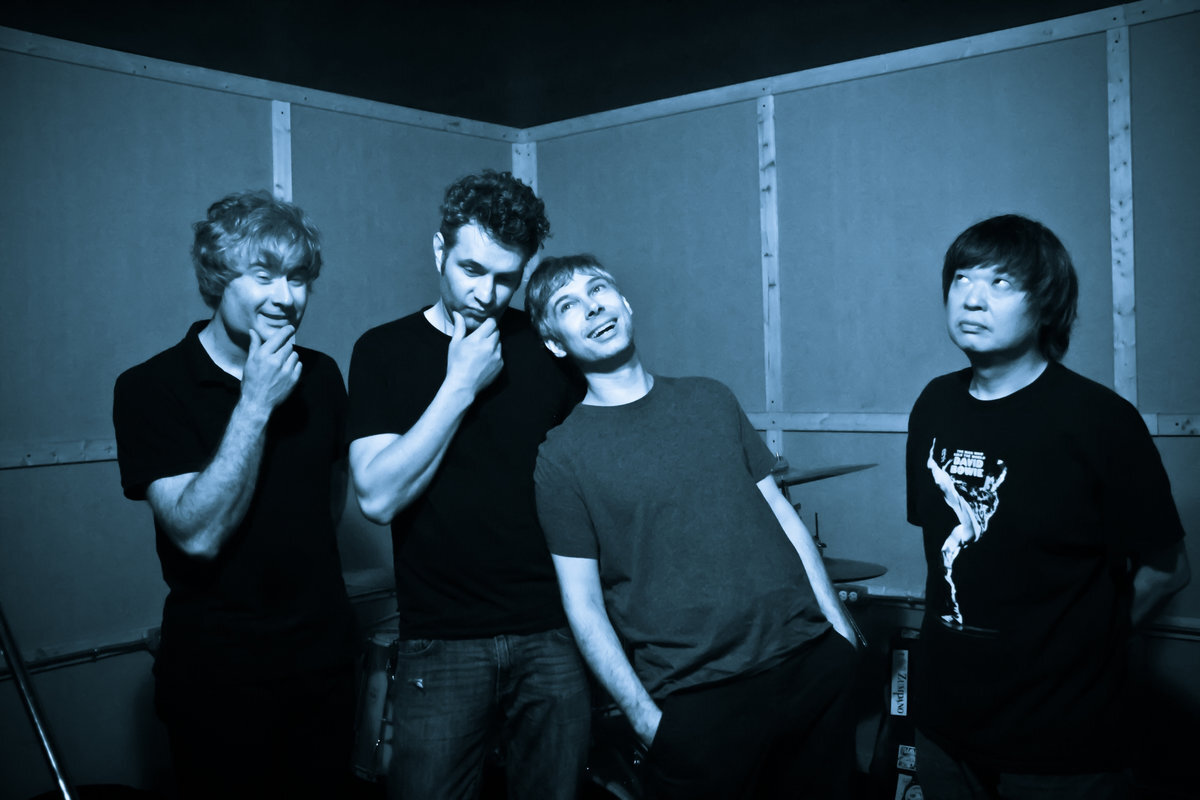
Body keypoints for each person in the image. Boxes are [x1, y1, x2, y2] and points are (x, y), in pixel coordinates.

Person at [526, 254, 861, 799]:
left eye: (599, 290)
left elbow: (782, 515)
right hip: (698, 703)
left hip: (810, 667)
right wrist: (645, 720)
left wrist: (839, 632)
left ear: (624, 302)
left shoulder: (710, 398)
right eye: (569, 306)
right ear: (555, 343)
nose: (593, 308)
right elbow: (582, 603)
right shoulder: (561, 457)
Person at [905, 214, 1191, 799]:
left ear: (1045, 303)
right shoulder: (934, 404)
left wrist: (1081, 653)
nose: (973, 299)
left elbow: (1168, 570)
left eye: (1001, 282)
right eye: (962, 279)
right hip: (944, 729)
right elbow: (944, 550)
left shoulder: (1100, 421)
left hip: (1062, 747)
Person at [346, 170, 590, 799]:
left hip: (553, 631)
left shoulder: (545, 348)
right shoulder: (383, 350)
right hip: (441, 639)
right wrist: (459, 385)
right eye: (471, 269)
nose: (486, 294)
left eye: (507, 278)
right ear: (439, 250)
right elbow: (376, 497)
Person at [112, 190, 358, 798]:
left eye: (297, 277)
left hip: (324, 666)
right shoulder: (151, 387)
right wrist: (255, 401)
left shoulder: (322, 375)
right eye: (263, 275)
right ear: (218, 278)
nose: (286, 297)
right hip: (216, 678)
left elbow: (327, 503)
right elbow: (196, 535)